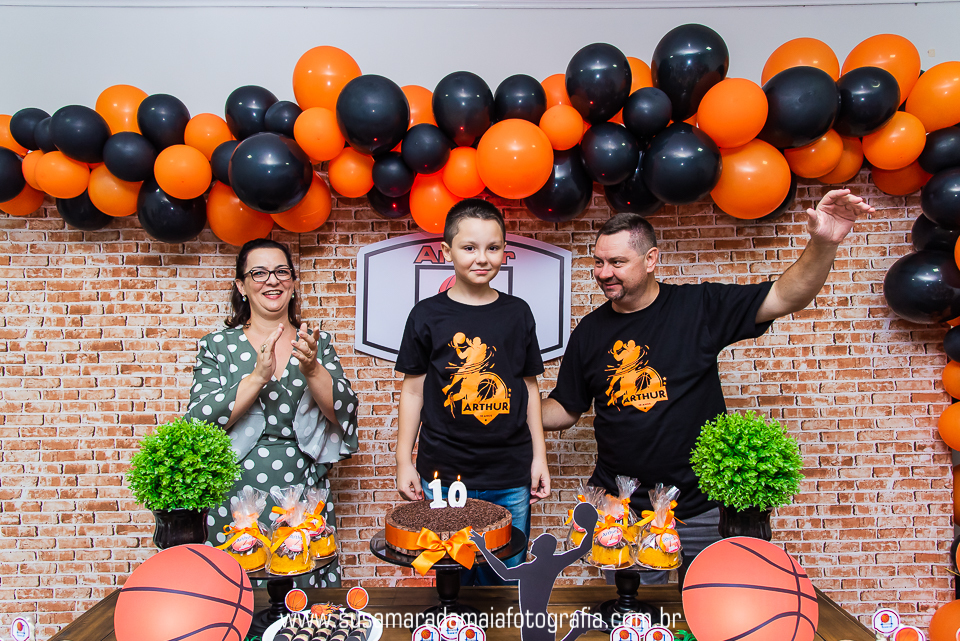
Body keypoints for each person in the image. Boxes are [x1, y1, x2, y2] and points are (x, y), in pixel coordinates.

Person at [541, 189, 875, 580]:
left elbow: (786, 296)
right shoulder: (590, 332)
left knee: (710, 606)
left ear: (651, 259)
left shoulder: (698, 306)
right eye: (598, 262)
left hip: (700, 508)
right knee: (632, 611)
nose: (603, 273)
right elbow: (565, 409)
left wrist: (823, 243)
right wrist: (513, 407)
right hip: (621, 511)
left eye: (617, 262)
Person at [184, 238, 359, 588]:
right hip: (236, 494)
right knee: (240, 588)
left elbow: (344, 412)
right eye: (259, 273)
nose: (272, 280)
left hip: (302, 491)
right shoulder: (218, 345)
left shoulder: (316, 342)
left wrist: (312, 369)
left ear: (292, 283)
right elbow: (199, 421)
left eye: (281, 272)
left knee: (302, 591)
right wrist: (257, 378)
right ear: (241, 286)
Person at [394, 199, 551, 585]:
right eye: (469, 247)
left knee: (505, 580)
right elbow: (412, 391)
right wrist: (402, 460)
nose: (482, 258)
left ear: (504, 251)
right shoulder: (426, 315)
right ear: (446, 251)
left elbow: (529, 387)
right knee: (453, 582)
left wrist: (539, 458)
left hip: (510, 474)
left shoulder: (518, 313)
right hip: (444, 475)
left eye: (493, 248)